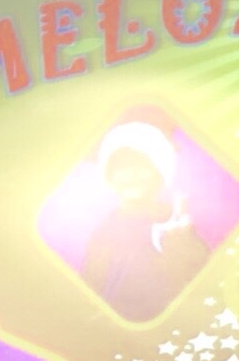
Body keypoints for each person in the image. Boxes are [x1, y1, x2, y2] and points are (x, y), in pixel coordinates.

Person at [81, 120, 209, 322]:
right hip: (123, 325)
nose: (132, 174)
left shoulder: (176, 222)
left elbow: (202, 275)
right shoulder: (105, 230)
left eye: (142, 166)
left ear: (159, 173)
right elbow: (90, 285)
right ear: (109, 176)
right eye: (122, 167)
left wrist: (182, 243)